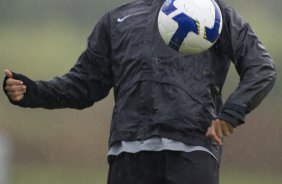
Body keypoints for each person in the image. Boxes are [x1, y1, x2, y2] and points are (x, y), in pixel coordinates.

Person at [3, 0, 276, 183]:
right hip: (129, 157)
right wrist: (33, 91)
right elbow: (84, 85)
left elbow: (261, 67)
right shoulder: (117, 20)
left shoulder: (214, 13)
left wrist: (232, 112)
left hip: (192, 152)